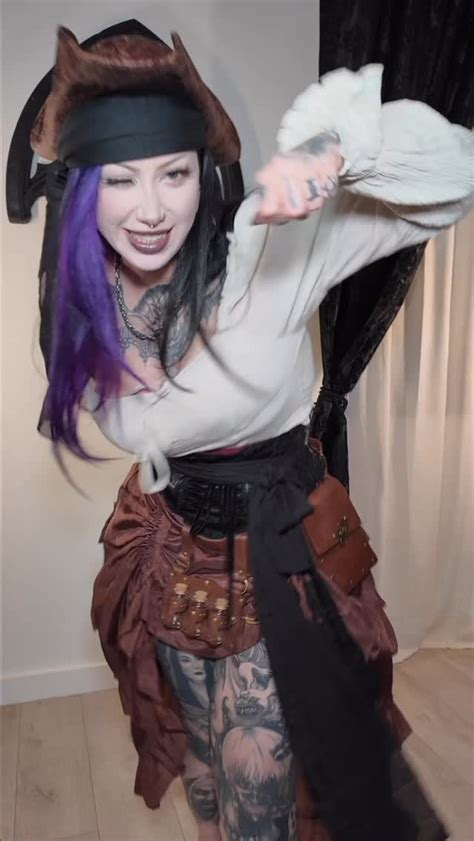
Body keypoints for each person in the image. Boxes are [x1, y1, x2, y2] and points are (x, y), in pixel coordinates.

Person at [30, 24, 473, 841]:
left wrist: (344, 157)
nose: (151, 208)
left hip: (276, 550)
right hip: (167, 546)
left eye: (173, 172)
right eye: (121, 178)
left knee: (260, 810)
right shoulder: (82, 305)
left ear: (203, 170)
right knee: (204, 779)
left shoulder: (267, 253)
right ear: (85, 187)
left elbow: (453, 180)